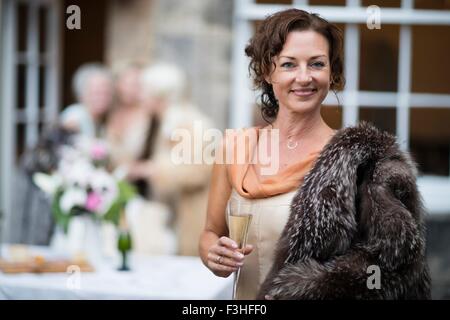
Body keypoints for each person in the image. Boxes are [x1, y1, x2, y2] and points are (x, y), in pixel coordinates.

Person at [199, 8, 430, 300]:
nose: (304, 77)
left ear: (331, 73)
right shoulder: (234, 147)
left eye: (317, 64)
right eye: (289, 64)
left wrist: (308, 290)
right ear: (268, 72)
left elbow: (393, 268)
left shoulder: (362, 160)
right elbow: (210, 232)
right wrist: (213, 254)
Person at [127, 62, 215, 256]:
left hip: (190, 221)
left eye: (144, 90)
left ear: (160, 94)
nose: (139, 96)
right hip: (165, 220)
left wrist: (152, 169)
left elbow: (198, 172)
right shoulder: (159, 121)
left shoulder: (193, 123)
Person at [60, 63, 114, 139]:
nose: (102, 98)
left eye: (106, 92)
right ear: (82, 94)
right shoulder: (75, 115)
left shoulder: (98, 121)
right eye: (96, 92)